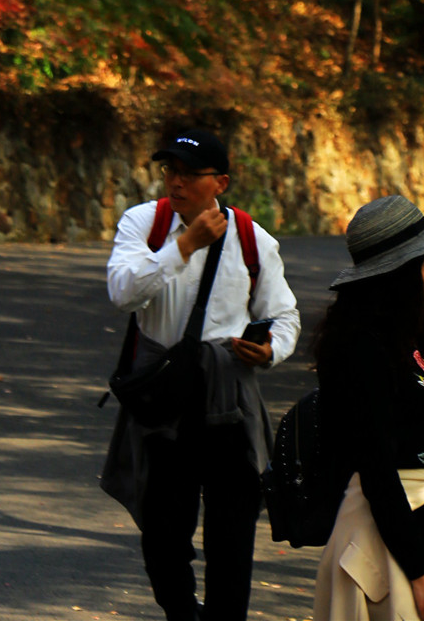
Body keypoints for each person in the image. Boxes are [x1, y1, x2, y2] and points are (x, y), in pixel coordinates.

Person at [105, 124, 301, 621]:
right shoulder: (142, 224)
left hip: (229, 394)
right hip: (164, 394)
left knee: (232, 530)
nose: (176, 182)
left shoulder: (253, 238)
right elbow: (123, 293)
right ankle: (180, 610)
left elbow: (284, 313)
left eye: (191, 174)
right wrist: (182, 246)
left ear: (221, 183)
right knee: (164, 530)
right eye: (170, 170)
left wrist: (271, 349)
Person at [313, 196, 424, 621]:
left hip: (408, 528)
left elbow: (419, 446)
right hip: (378, 537)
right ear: (400, 271)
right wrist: (420, 573)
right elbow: (378, 472)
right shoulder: (360, 349)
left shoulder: (405, 335)